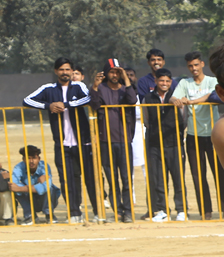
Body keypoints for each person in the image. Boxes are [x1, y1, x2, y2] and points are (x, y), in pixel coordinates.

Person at [22, 58, 99, 223]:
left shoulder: (78, 86)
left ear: (72, 71)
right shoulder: (48, 88)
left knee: (91, 178)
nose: (65, 72)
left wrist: (66, 104)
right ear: (56, 71)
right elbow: (27, 100)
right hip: (62, 145)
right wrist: (48, 106)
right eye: (62, 69)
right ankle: (74, 213)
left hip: (83, 143)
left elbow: (88, 99)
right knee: (68, 180)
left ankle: (98, 212)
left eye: (68, 69)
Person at [173, 50, 224, 219]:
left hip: (213, 133)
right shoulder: (185, 83)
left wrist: (192, 101)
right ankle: (205, 211)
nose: (193, 68)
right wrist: (177, 100)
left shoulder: (213, 81)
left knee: (220, 173)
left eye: (196, 65)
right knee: (198, 175)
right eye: (190, 66)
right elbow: (174, 97)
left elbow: (214, 96)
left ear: (202, 64)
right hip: (193, 135)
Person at [89, 59, 138, 223]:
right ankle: (118, 211)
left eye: (118, 72)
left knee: (126, 179)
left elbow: (132, 100)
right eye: (112, 72)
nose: (115, 75)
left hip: (124, 141)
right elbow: (95, 105)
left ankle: (128, 211)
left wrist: (126, 79)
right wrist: (95, 87)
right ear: (106, 73)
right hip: (106, 141)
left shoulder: (126, 89)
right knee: (112, 179)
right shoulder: (101, 89)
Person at [142, 68, 188, 221]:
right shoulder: (148, 98)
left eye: (167, 81)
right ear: (155, 81)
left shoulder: (177, 96)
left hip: (175, 143)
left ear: (171, 82)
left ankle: (181, 210)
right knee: (159, 180)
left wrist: (178, 133)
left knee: (178, 178)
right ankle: (162, 210)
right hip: (155, 145)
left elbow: (184, 119)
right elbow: (146, 120)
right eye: (161, 80)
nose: (164, 83)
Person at [11, 145, 62, 224]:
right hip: (30, 199)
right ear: (23, 159)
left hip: (45, 199)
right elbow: (13, 185)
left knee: (50, 188)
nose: (31, 161)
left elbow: (46, 187)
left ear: (39, 159)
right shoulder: (19, 167)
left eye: (34, 158)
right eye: (28, 158)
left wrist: (20, 188)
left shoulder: (43, 166)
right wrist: (20, 188)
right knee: (15, 191)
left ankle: (49, 214)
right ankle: (30, 216)